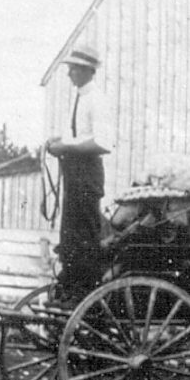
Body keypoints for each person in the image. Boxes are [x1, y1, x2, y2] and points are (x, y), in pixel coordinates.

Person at [44, 45, 114, 308]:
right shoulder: (80, 99)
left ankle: (86, 292)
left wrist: (66, 146)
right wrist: (59, 141)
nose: (69, 73)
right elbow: (79, 137)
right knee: (71, 235)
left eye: (73, 68)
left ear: (87, 70)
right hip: (74, 174)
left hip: (87, 174)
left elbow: (103, 143)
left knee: (84, 235)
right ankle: (72, 286)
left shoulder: (98, 100)